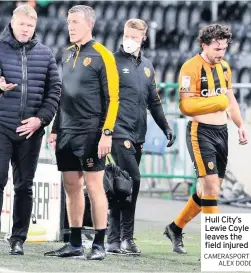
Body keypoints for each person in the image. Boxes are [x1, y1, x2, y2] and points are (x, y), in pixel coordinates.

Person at [164, 24, 248, 254]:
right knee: (210, 188)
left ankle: (175, 227)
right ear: (204, 44)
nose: (221, 53)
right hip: (200, 132)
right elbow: (186, 106)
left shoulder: (225, 68)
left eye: (224, 48)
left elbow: (230, 99)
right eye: (217, 48)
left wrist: (240, 125)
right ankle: (217, 248)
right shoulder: (190, 68)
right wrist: (218, 102)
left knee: (208, 191)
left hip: (222, 132)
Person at [44, 5, 119, 260]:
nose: (70, 27)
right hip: (66, 130)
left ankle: (99, 244)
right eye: (68, 22)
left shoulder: (103, 55)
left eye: (75, 22)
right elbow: (62, 96)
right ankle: (74, 243)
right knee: (71, 186)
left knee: (94, 186)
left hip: (91, 131)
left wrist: (106, 133)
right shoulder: (65, 54)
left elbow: (113, 98)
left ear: (89, 24)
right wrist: (55, 128)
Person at [0, 5, 61, 255]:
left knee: (24, 185)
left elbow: (54, 92)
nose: (26, 29)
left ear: (35, 26)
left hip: (31, 130)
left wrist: (40, 120)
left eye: (31, 26)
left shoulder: (46, 54)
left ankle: (17, 239)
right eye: (22, 25)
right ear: (13, 23)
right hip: (0, 125)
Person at [106, 19, 176, 255]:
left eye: (135, 37)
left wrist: (165, 126)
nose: (130, 40)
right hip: (117, 131)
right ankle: (126, 237)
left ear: (143, 38)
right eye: (127, 35)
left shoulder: (147, 66)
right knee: (133, 180)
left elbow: (154, 101)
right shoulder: (111, 61)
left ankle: (113, 239)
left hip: (139, 133)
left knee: (121, 186)